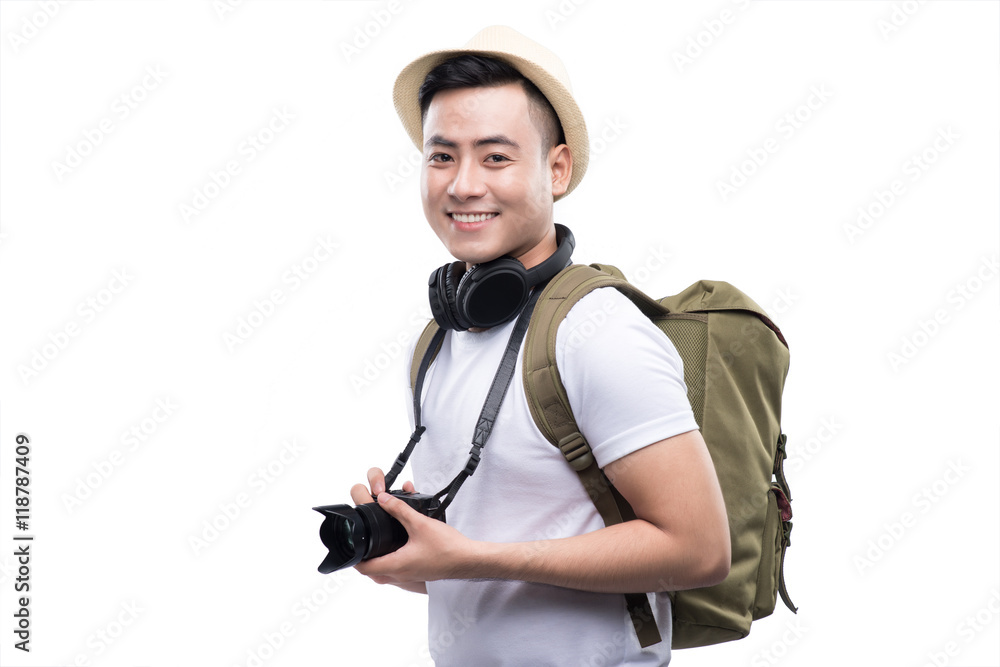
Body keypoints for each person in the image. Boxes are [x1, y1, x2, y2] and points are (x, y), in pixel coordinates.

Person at [349, 26, 730, 666]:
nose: (463, 185)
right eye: (442, 156)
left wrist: (478, 559)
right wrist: (412, 551)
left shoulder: (600, 334)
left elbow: (700, 549)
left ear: (557, 168)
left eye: (496, 157)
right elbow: (485, 563)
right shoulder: (441, 337)